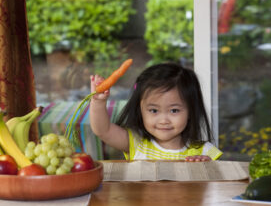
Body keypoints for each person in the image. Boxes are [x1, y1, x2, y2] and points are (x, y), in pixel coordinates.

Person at [89, 62, 222, 161]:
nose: (164, 120)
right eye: (153, 110)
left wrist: (206, 167)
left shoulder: (204, 152)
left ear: (191, 111)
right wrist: (98, 102)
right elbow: (103, 130)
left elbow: (215, 187)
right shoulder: (136, 143)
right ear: (140, 110)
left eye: (174, 110)